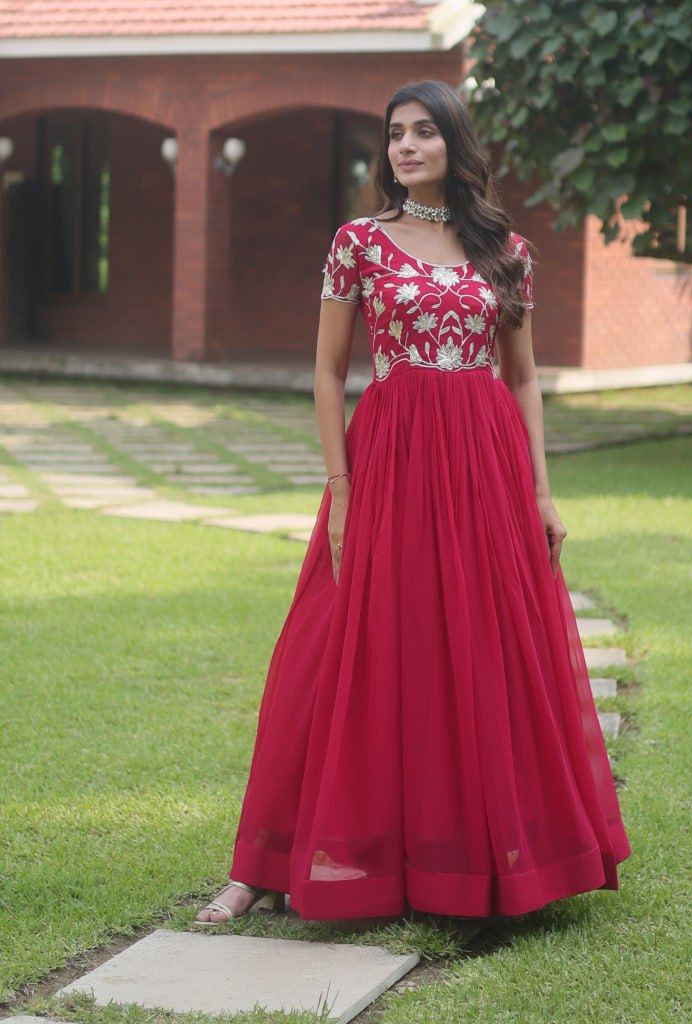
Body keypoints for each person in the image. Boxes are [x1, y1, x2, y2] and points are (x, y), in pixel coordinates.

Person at [196, 79, 630, 925]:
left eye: (424, 132)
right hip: (390, 455)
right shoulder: (357, 241)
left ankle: (486, 859)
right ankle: (265, 862)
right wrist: (339, 486)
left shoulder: (505, 251)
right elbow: (325, 372)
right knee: (338, 641)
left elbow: (525, 377)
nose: (405, 147)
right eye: (395, 134)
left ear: (453, 144)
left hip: (485, 462)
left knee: (480, 645)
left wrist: (540, 490)